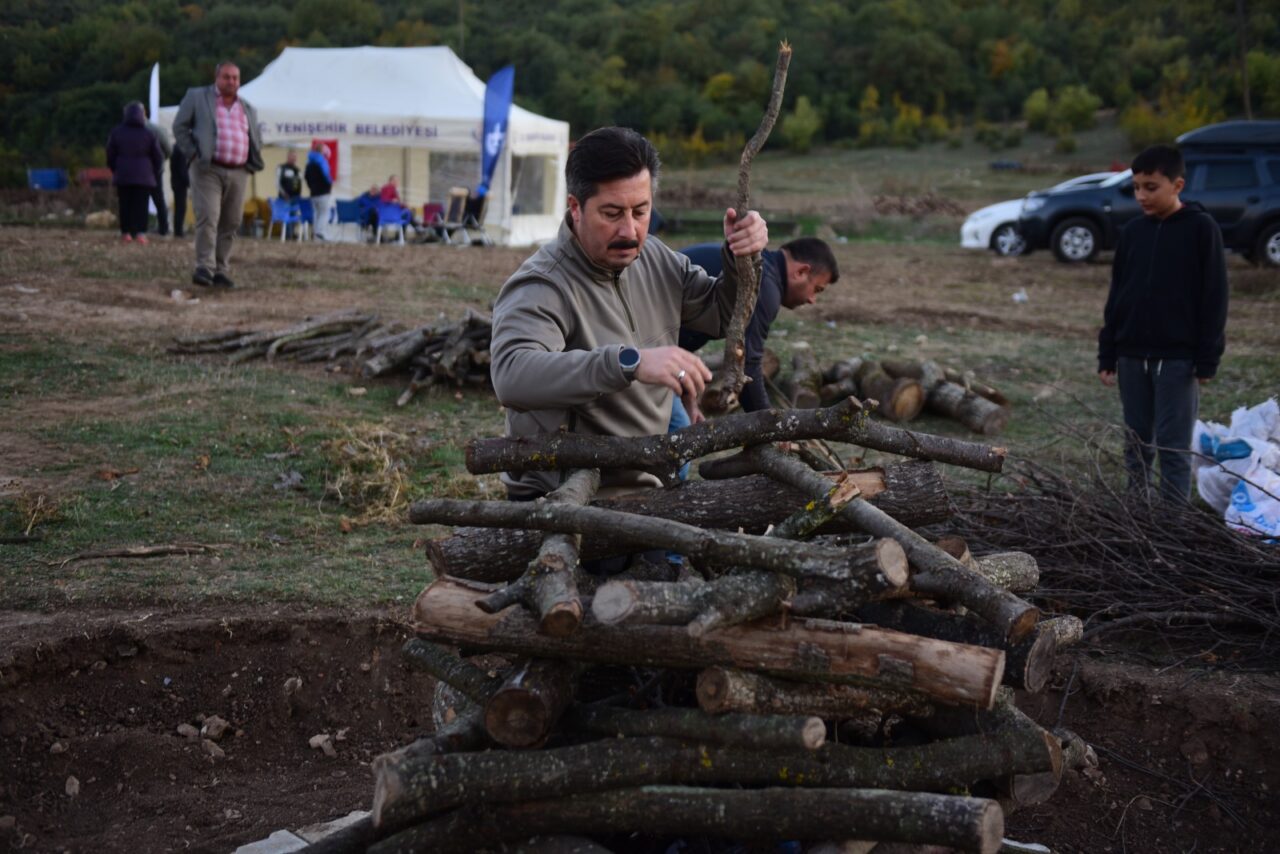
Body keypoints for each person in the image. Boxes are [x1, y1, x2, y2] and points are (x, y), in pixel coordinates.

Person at [490, 126, 768, 503]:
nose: (630, 230)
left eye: (641, 211)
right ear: (575, 207)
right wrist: (628, 363)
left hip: (650, 486)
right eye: (611, 213)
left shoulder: (655, 258)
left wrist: (743, 259)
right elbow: (512, 376)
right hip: (569, 500)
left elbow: (722, 315)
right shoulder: (543, 285)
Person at [1098, 144, 1228, 501]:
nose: (1141, 195)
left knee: (1173, 449)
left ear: (1178, 185)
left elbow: (1214, 297)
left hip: (1177, 359)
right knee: (1137, 445)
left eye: (1151, 187)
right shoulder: (1133, 232)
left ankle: (1174, 530)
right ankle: (1137, 520)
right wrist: (1108, 352)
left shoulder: (1201, 229)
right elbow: (1117, 296)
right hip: (1130, 356)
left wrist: (1207, 357)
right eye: (1137, 187)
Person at [675, 237, 839, 417]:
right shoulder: (764, 285)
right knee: (676, 426)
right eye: (817, 289)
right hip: (645, 347)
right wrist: (769, 426)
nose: (812, 300)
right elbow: (747, 364)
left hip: (654, 342)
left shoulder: (761, 268)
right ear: (801, 272)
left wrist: (687, 397)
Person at [173, 61, 264, 288]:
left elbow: (255, 136)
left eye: (235, 78)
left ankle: (222, 270)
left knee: (231, 221)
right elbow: (179, 127)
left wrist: (250, 160)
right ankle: (204, 267)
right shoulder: (198, 97)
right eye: (226, 77)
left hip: (239, 171)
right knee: (209, 216)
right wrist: (193, 154)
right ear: (217, 77)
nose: (231, 81)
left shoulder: (247, 107)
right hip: (208, 169)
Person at [105, 101, 163, 245]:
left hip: (123, 174)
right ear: (142, 115)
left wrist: (115, 169)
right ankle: (141, 233)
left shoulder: (117, 132)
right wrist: (153, 172)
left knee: (125, 204)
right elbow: (158, 156)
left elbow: (110, 154)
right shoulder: (148, 133)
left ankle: (126, 233)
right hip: (144, 175)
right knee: (141, 205)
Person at [143, 106, 172, 237]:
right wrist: (160, 161)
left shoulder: (125, 130)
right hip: (155, 169)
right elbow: (168, 149)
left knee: (139, 199)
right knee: (158, 199)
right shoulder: (157, 130)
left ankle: (139, 227)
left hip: (141, 171)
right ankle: (163, 227)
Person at [304, 141, 333, 241]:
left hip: (313, 193)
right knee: (325, 212)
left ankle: (316, 235)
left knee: (316, 213)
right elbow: (326, 176)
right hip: (323, 192)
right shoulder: (322, 161)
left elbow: (306, 177)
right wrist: (329, 186)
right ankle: (320, 232)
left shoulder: (309, 163)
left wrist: (311, 186)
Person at [170, 138, 190, 238]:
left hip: (175, 181)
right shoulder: (181, 150)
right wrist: (188, 181)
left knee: (178, 206)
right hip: (180, 183)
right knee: (181, 207)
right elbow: (183, 170)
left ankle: (178, 229)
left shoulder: (175, 148)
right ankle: (178, 230)